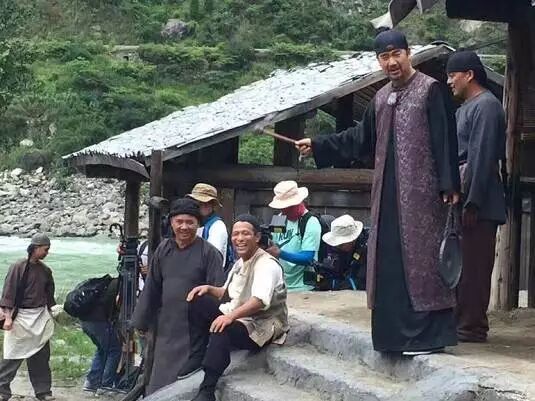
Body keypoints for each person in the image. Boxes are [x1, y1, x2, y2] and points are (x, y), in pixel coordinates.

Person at [296, 30, 461, 355]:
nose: (391, 62)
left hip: (424, 197)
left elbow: (445, 137)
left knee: (424, 262)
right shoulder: (381, 98)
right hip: (386, 195)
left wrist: (449, 183)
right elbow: (360, 139)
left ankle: (428, 339)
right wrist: (318, 144)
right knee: (388, 262)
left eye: (396, 54)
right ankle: (394, 339)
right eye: (384, 57)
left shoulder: (430, 90)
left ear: (408, 53)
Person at [186, 214, 288, 401]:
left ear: (257, 237)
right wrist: (209, 289)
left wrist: (229, 317)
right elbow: (228, 293)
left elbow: (259, 301)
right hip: (240, 315)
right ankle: (198, 354)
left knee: (222, 327)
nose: (239, 238)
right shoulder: (240, 262)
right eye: (235, 234)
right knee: (197, 299)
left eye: (245, 234)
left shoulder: (267, 264)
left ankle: (207, 390)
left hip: (261, 324)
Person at [132, 198, 225, 394]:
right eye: (179, 221)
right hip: (165, 325)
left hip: (194, 331)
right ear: (171, 222)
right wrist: (141, 321)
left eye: (190, 222)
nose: (184, 227)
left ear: (198, 224)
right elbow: (152, 287)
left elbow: (218, 293)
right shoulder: (163, 249)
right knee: (157, 379)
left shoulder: (209, 253)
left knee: (184, 383)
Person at [446, 51, 507, 343]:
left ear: (469, 74)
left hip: (478, 201)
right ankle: (459, 323)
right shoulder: (465, 108)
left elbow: (481, 157)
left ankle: (472, 327)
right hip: (463, 196)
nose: (449, 81)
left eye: (452, 75)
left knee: (474, 268)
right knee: (460, 265)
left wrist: (473, 201)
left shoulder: (487, 106)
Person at [0, 233, 56, 401]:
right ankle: (2, 390)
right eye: (45, 249)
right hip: (21, 318)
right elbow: (8, 293)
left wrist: (51, 314)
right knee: (12, 356)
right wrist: (8, 318)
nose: (47, 253)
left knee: (41, 356)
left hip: (39, 318)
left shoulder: (45, 270)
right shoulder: (18, 267)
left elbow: (49, 296)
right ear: (35, 248)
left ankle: (43, 391)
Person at [264, 180, 322, 292]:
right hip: (280, 285)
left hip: (303, 287)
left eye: (288, 208)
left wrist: (280, 253)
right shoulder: (279, 218)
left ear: (298, 202)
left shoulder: (310, 222)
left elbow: (308, 258)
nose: (284, 211)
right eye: (282, 208)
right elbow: (274, 243)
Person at [81, 277, 121, 393]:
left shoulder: (107, 284)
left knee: (102, 349)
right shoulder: (119, 285)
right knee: (114, 350)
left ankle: (92, 382)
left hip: (85, 321)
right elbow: (117, 304)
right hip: (98, 322)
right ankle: (106, 384)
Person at [187, 183, 231, 269]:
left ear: (212, 205)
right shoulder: (195, 224)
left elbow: (211, 259)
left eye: (204, 203)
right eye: (196, 203)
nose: (199, 207)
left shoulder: (217, 226)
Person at [320, 215, 365, 290]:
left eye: (340, 245)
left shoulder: (366, 251)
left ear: (352, 240)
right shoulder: (340, 250)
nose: (337, 247)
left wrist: (334, 284)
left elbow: (362, 282)